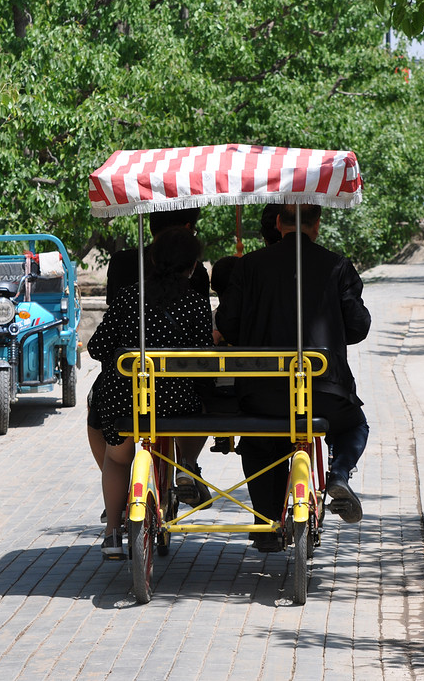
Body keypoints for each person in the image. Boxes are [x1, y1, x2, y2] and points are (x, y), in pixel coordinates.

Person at [215, 204, 371, 551]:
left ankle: (266, 524)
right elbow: (358, 326)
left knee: (260, 441)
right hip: (324, 389)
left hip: (262, 390)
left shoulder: (249, 266)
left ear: (277, 224)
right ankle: (339, 475)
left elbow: (227, 324)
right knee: (355, 426)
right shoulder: (337, 265)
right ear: (317, 224)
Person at [88, 226, 214, 559]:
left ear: (153, 260)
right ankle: (187, 464)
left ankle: (112, 533)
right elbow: (204, 364)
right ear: (193, 266)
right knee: (204, 406)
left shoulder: (129, 296)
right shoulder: (197, 304)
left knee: (117, 460)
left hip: (126, 401)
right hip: (177, 404)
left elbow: (96, 346)